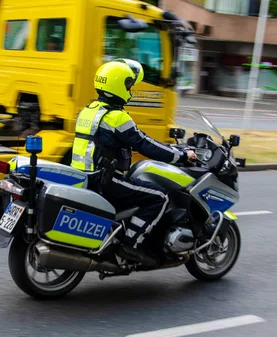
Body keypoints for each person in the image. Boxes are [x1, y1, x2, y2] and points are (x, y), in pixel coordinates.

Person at [70, 58, 197, 266]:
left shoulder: (89, 110)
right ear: (119, 85)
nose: (131, 89)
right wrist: (181, 155)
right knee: (160, 196)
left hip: (84, 177)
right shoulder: (116, 117)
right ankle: (131, 244)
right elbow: (144, 144)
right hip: (106, 181)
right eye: (129, 85)